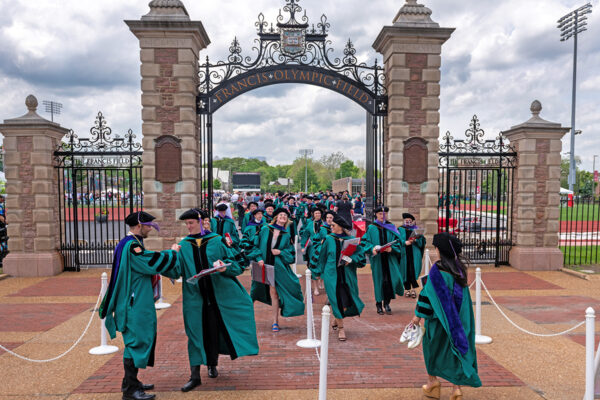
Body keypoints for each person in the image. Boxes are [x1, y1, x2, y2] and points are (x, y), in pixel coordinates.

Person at [165, 209, 259, 392]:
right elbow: (175, 271)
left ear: (201, 222)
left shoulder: (217, 241)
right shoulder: (184, 246)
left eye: (191, 223)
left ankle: (212, 364)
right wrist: (172, 255)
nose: (189, 226)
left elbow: (238, 264)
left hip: (219, 297)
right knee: (195, 334)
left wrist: (225, 269)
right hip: (195, 299)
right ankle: (194, 376)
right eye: (187, 223)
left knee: (214, 332)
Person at [99, 211, 177, 400]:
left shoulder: (129, 243)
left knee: (138, 339)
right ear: (139, 225)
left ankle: (131, 383)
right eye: (148, 225)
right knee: (135, 341)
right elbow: (149, 262)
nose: (151, 228)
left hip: (136, 298)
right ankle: (131, 390)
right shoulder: (131, 246)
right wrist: (172, 254)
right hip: (133, 301)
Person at [409, 232, 481, 399]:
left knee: (431, 350)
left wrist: (417, 317)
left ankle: (432, 383)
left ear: (440, 250)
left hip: (437, 321)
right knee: (454, 351)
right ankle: (456, 389)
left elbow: (426, 296)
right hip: (457, 321)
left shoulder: (437, 271)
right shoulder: (459, 270)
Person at [248, 207, 304, 332]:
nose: (283, 217)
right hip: (261, 265)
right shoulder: (265, 229)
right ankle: (244, 318)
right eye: (281, 215)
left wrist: (280, 252)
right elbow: (253, 245)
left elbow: (291, 254)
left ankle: (275, 321)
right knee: (254, 292)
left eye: (285, 216)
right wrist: (258, 258)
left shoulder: (286, 235)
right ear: (276, 217)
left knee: (274, 293)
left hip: (276, 268)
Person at [311, 214, 365, 341]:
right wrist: (317, 272)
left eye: (333, 225)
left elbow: (360, 256)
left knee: (346, 301)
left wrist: (351, 259)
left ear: (340, 227)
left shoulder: (351, 240)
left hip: (347, 275)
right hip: (331, 275)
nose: (331, 227)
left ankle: (336, 318)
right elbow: (321, 257)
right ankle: (341, 329)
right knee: (335, 300)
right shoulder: (329, 239)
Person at [357, 206, 404, 315]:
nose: (383, 216)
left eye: (384, 214)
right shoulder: (372, 228)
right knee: (379, 281)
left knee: (393, 279)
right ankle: (379, 304)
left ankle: (387, 303)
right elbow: (364, 242)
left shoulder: (391, 227)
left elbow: (399, 242)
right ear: (376, 215)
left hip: (390, 258)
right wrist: (371, 248)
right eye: (380, 214)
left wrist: (392, 249)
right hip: (378, 259)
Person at [299, 206, 326, 296]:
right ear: (313, 215)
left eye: (319, 213)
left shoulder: (325, 224)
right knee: (313, 266)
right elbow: (305, 235)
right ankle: (316, 287)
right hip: (313, 248)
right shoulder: (310, 224)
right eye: (316, 213)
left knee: (323, 265)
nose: (318, 215)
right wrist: (303, 246)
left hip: (323, 248)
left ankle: (321, 280)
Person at [398, 213, 426, 298]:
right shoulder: (399, 229)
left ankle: (413, 290)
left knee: (413, 270)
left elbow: (422, 242)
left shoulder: (416, 229)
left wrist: (416, 240)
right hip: (404, 253)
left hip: (414, 253)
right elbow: (397, 241)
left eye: (410, 221)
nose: (408, 222)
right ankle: (407, 290)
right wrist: (404, 242)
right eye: (406, 221)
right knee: (405, 271)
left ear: (412, 221)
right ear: (404, 221)